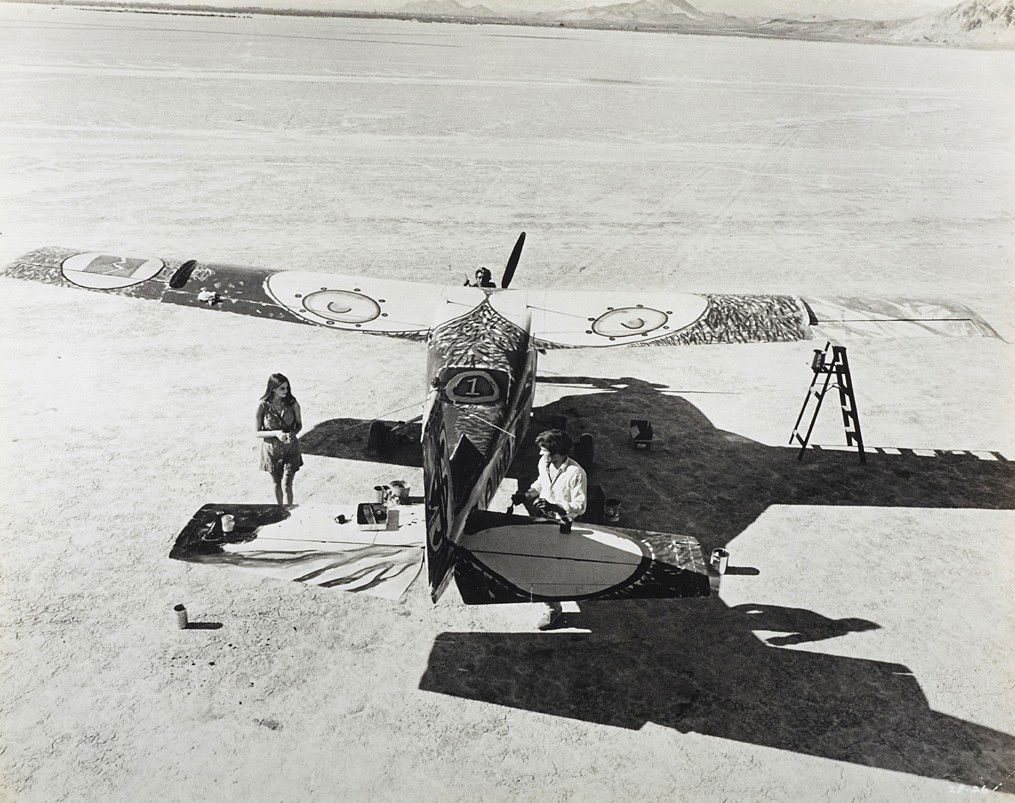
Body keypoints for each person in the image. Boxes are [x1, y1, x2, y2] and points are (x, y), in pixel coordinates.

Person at [511, 428, 587, 630]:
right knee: (539, 565)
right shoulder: (544, 463)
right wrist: (526, 495)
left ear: (559, 453)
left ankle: (554, 610)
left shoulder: (576, 473)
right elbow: (540, 483)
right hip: (543, 520)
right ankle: (551, 603)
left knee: (553, 569)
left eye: (544, 451)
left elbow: (581, 506)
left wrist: (556, 507)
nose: (540, 455)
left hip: (564, 524)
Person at [256, 373, 303, 506]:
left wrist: (293, 433)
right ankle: (280, 510)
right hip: (272, 450)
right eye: (282, 388)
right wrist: (276, 433)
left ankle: (289, 511)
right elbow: (257, 432)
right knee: (276, 482)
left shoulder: (293, 403)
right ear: (273, 389)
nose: (286, 391)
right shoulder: (263, 406)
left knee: (288, 484)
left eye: (287, 388)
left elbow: (299, 424)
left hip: (291, 449)